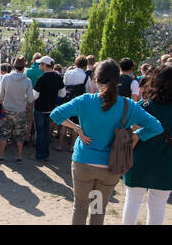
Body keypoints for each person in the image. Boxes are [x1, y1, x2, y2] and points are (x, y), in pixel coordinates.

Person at [50, 59, 163, 225]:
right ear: (118, 81)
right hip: (111, 165)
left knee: (80, 207)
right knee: (97, 208)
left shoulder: (85, 100)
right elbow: (156, 127)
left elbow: (56, 114)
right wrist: (136, 135)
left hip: (84, 162)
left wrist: (77, 128)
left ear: (95, 79)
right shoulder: (128, 105)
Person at [122, 64, 172, 225]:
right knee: (158, 207)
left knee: (132, 202)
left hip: (139, 161)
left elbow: (125, 130)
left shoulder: (144, 107)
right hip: (166, 164)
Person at [0, 56, 34, 163]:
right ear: (24, 67)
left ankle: (1, 155)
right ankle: (19, 156)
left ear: (14, 65)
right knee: (20, 135)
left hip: (7, 109)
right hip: (20, 110)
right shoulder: (27, 81)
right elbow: (31, 99)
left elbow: (1, 95)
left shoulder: (6, 78)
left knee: (4, 133)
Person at [32, 56, 66, 161]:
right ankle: (45, 154)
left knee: (40, 132)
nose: (39, 66)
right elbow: (63, 94)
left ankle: (39, 155)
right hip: (51, 108)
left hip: (40, 108)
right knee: (46, 132)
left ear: (44, 65)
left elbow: (34, 96)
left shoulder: (41, 79)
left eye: (40, 64)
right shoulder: (58, 77)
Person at [56, 55, 90, 152]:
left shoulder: (68, 72)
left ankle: (60, 145)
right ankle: (72, 147)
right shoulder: (85, 76)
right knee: (76, 125)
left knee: (64, 123)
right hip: (78, 102)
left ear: (76, 63)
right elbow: (87, 91)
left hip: (67, 99)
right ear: (85, 65)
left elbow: (64, 85)